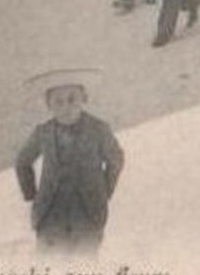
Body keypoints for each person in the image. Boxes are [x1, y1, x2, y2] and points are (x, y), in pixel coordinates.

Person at [15, 69, 125, 254]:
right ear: (48, 105)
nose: (66, 107)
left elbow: (115, 159)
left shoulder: (99, 129)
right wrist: (32, 195)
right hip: (50, 211)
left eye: (73, 99)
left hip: (88, 212)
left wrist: (103, 190)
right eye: (58, 102)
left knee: (84, 264)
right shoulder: (43, 132)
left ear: (84, 98)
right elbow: (23, 161)